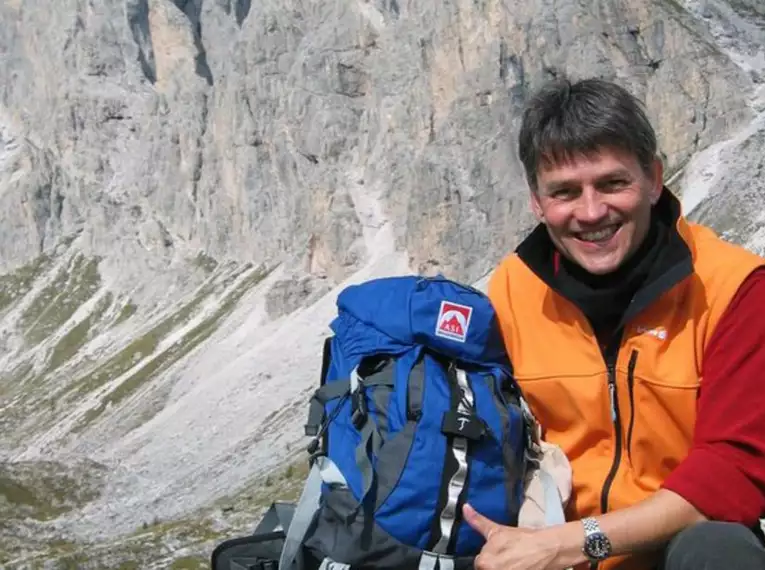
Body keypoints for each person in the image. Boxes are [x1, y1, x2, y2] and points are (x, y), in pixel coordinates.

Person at [462, 77, 765, 570]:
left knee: (719, 550)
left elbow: (732, 472)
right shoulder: (512, 290)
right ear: (537, 203)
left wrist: (571, 542)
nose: (591, 212)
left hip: (671, 546)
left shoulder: (734, 288)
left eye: (612, 182)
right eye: (564, 192)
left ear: (653, 179)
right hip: (548, 547)